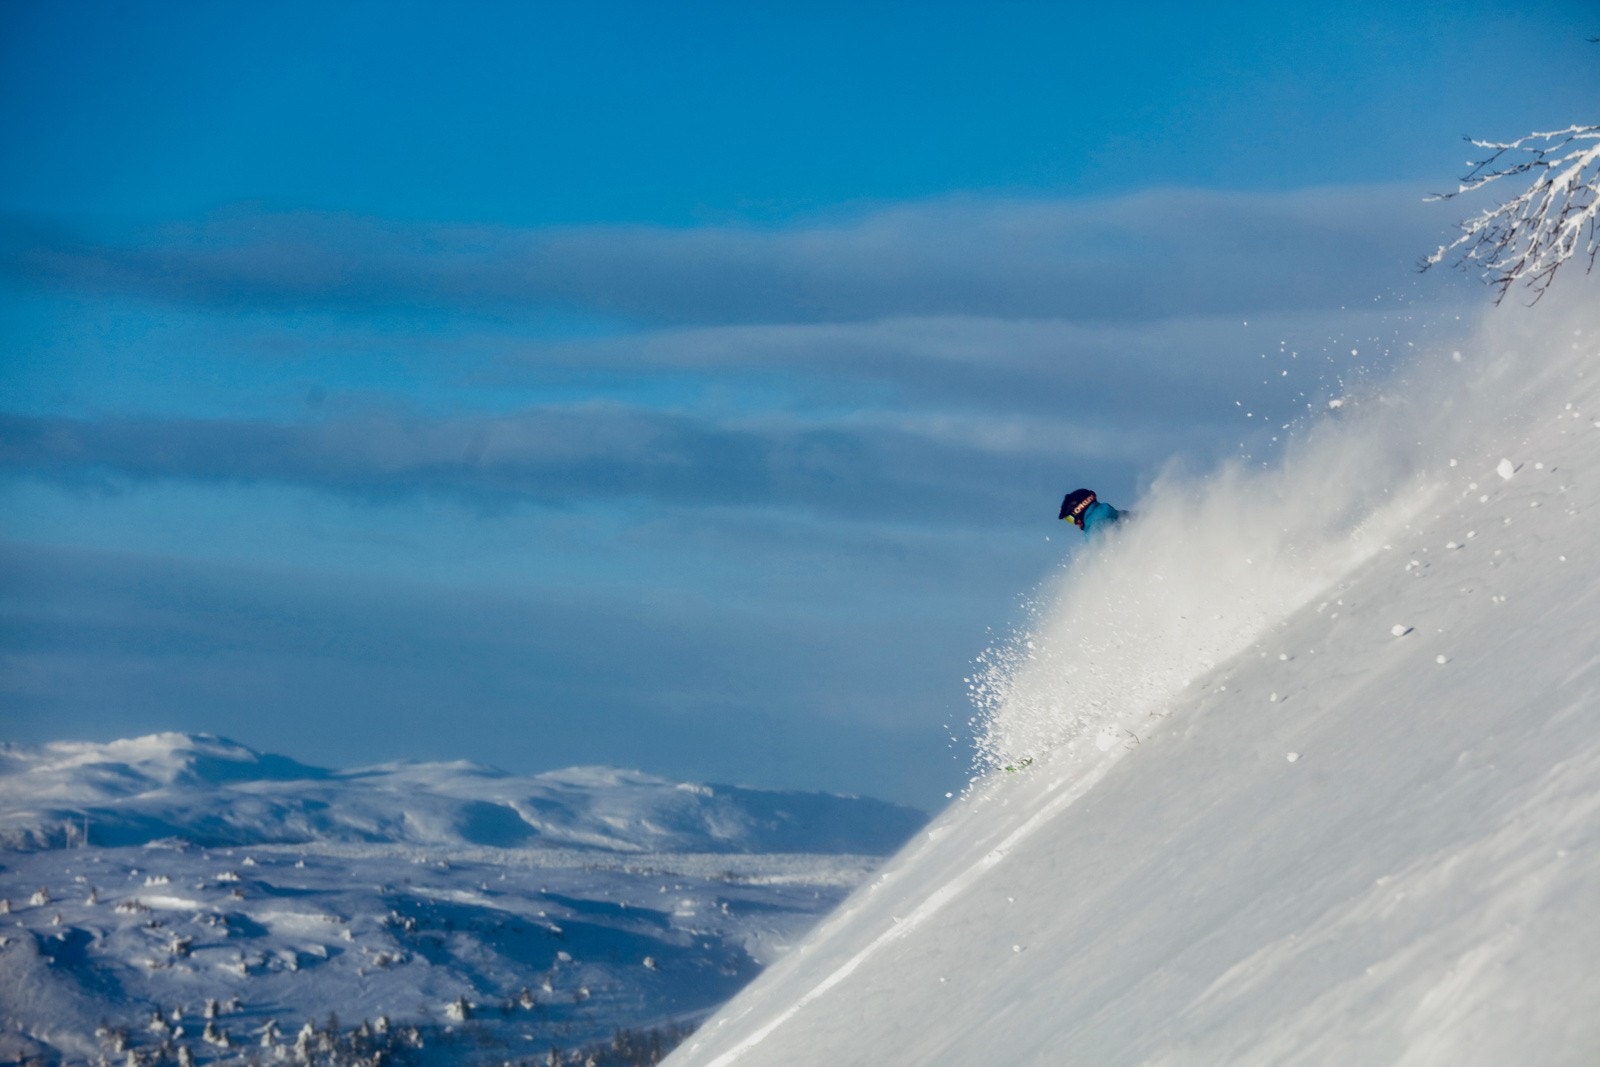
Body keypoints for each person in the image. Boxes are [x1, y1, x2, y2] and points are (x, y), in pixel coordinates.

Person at [1058, 488, 1122, 536]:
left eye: (1070, 519)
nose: (1075, 523)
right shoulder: (1120, 515)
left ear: (1078, 510)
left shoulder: (1095, 529)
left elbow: (1100, 549)